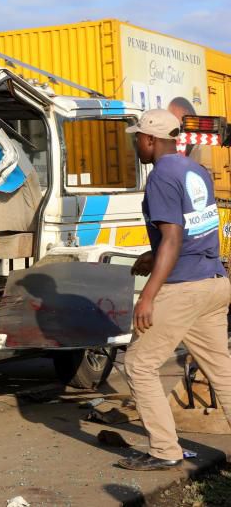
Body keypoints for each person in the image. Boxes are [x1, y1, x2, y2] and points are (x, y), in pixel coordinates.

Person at [118, 109, 231, 471]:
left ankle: (165, 450)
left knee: (139, 365)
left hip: (183, 288)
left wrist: (148, 295)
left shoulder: (160, 178)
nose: (135, 142)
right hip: (214, 283)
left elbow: (173, 237)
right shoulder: (194, 170)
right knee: (222, 371)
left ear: (150, 140)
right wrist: (151, 257)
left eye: (137, 137)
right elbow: (192, 232)